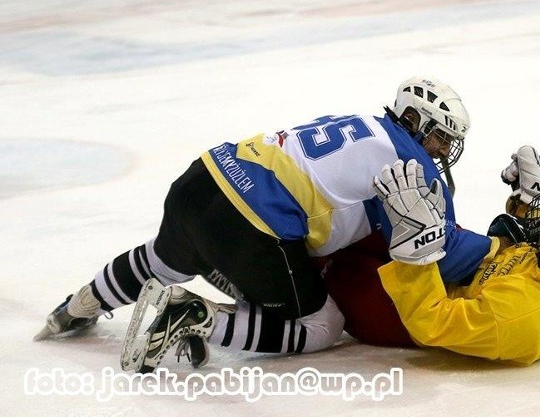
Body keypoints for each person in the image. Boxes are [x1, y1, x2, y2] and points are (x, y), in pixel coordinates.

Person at [35, 76, 494, 373]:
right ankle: (199, 318)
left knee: (163, 259)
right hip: (251, 225)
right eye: (439, 135)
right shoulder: (411, 160)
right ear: (414, 120)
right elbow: (440, 248)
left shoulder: (362, 123)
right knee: (324, 325)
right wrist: (497, 245)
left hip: (202, 179)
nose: (441, 149)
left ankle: (76, 307)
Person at [325, 146, 540, 364]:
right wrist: (527, 197)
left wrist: (417, 247)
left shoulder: (514, 318)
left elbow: (431, 322)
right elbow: (523, 241)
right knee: (371, 215)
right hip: (464, 264)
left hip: (409, 311)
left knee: (334, 271)